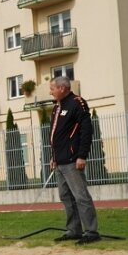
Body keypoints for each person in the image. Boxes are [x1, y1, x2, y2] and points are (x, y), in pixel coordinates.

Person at [49, 76, 100, 245]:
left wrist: (82, 155)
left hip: (73, 160)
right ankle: (74, 230)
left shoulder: (77, 103)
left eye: (53, 88)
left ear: (62, 88)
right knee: (66, 197)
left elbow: (86, 131)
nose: (51, 92)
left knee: (80, 196)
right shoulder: (56, 108)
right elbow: (57, 136)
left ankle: (91, 231)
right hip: (60, 162)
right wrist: (54, 157)